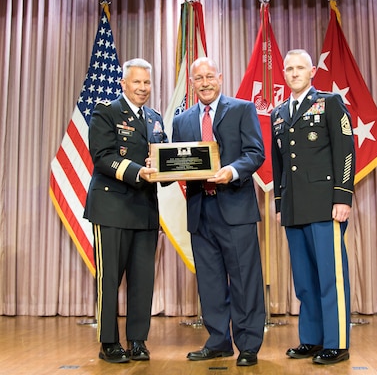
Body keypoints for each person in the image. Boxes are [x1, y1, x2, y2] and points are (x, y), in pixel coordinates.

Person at [172, 57, 266, 367]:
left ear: (220, 78)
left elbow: (255, 153)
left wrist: (231, 171)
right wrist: (158, 168)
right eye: (198, 78)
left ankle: (248, 344)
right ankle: (218, 341)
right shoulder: (182, 121)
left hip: (235, 207)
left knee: (244, 280)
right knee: (210, 282)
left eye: (209, 76)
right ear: (192, 83)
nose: (205, 82)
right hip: (201, 210)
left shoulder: (242, 109)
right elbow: (175, 160)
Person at [270, 49, 355, 365]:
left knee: (330, 277)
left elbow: (346, 151)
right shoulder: (279, 113)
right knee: (304, 280)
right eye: (289, 68)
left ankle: (336, 342)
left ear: (312, 72)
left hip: (325, 206)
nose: (293, 73)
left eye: (299, 68)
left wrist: (342, 197)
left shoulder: (330, 103)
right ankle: (312, 339)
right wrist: (280, 203)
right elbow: (279, 164)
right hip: (293, 207)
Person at [83, 58, 167, 364]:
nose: (143, 88)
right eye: (137, 82)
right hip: (112, 207)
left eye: (147, 83)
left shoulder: (155, 119)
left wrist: (164, 168)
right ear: (124, 84)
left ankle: (137, 340)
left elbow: (164, 157)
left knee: (143, 280)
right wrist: (138, 171)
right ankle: (108, 342)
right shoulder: (106, 111)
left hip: (144, 209)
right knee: (109, 280)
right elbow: (102, 156)